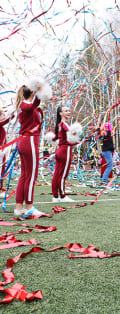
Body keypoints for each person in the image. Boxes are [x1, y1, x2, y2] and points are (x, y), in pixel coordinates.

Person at [14, 80, 52, 218]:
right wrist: (39, 90)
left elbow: (34, 106)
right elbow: (34, 104)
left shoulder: (24, 105)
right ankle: (29, 207)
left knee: (25, 176)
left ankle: (19, 208)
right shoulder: (25, 105)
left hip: (25, 142)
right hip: (29, 142)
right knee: (30, 176)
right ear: (32, 93)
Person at [50, 107, 81, 203]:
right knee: (63, 175)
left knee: (57, 174)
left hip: (60, 150)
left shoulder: (59, 124)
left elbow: (56, 138)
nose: (68, 112)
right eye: (65, 111)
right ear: (60, 113)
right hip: (65, 151)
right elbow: (70, 131)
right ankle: (63, 196)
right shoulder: (64, 124)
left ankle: (55, 196)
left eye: (69, 110)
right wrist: (77, 132)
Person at [0, 107, 14, 196]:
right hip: (0, 150)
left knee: (2, 169)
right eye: (3, 115)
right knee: (1, 169)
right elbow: (5, 121)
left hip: (2, 150)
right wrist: (12, 115)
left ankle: (0, 188)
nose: (4, 117)